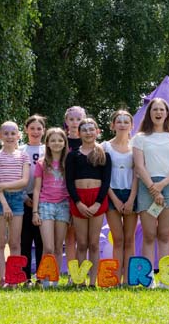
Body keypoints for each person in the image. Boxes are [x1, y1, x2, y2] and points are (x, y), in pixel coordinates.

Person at [133, 98, 169, 288]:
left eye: (161, 109)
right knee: (148, 235)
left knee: (164, 235)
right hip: (147, 186)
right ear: (149, 113)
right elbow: (139, 166)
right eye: (154, 109)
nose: (158, 112)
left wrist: (161, 186)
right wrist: (153, 188)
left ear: (166, 113)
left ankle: (166, 278)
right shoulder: (139, 138)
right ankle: (148, 279)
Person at [66, 118, 111, 286]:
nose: (88, 132)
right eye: (84, 129)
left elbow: (106, 181)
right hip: (79, 200)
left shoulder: (103, 154)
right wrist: (78, 202)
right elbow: (69, 181)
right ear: (79, 133)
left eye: (91, 129)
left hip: (97, 200)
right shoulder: (73, 155)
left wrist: (98, 203)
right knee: (82, 243)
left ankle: (93, 281)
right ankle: (80, 280)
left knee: (93, 243)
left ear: (97, 131)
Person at [0, 121, 31, 287]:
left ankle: (14, 278)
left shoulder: (23, 156)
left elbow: (24, 181)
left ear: (18, 136)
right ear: (0, 136)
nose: (10, 136)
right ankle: (3, 278)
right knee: (0, 241)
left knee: (14, 242)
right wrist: (4, 205)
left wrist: (4, 186)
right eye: (6, 133)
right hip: (0, 201)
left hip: (17, 200)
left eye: (13, 133)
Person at [32, 128, 71, 287]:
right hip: (46, 204)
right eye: (53, 140)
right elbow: (36, 188)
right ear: (47, 143)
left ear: (64, 143)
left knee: (57, 246)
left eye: (60, 140)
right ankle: (44, 278)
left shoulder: (68, 162)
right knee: (47, 246)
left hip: (63, 205)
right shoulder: (42, 162)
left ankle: (54, 280)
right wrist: (35, 211)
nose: (56, 143)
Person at [103, 110, 139, 284]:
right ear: (113, 125)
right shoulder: (105, 147)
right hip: (112, 194)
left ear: (132, 126)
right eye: (119, 121)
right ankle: (115, 279)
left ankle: (128, 280)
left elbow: (137, 174)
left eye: (126, 122)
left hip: (131, 193)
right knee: (118, 239)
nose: (123, 124)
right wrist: (115, 199)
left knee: (129, 239)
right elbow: (104, 176)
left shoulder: (136, 147)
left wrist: (131, 199)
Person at [20, 115, 46, 283]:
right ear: (26, 130)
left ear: (43, 131)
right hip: (23, 197)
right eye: (32, 128)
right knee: (25, 238)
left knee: (41, 239)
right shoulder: (20, 150)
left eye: (39, 128)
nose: (35, 132)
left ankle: (41, 276)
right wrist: (23, 196)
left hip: (44, 198)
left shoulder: (48, 149)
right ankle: (25, 276)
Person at [63, 106, 85, 276]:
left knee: (82, 237)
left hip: (83, 194)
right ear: (66, 121)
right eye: (71, 119)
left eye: (78, 119)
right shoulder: (60, 141)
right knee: (69, 237)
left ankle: (81, 272)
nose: (75, 123)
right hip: (62, 192)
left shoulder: (89, 142)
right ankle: (72, 274)